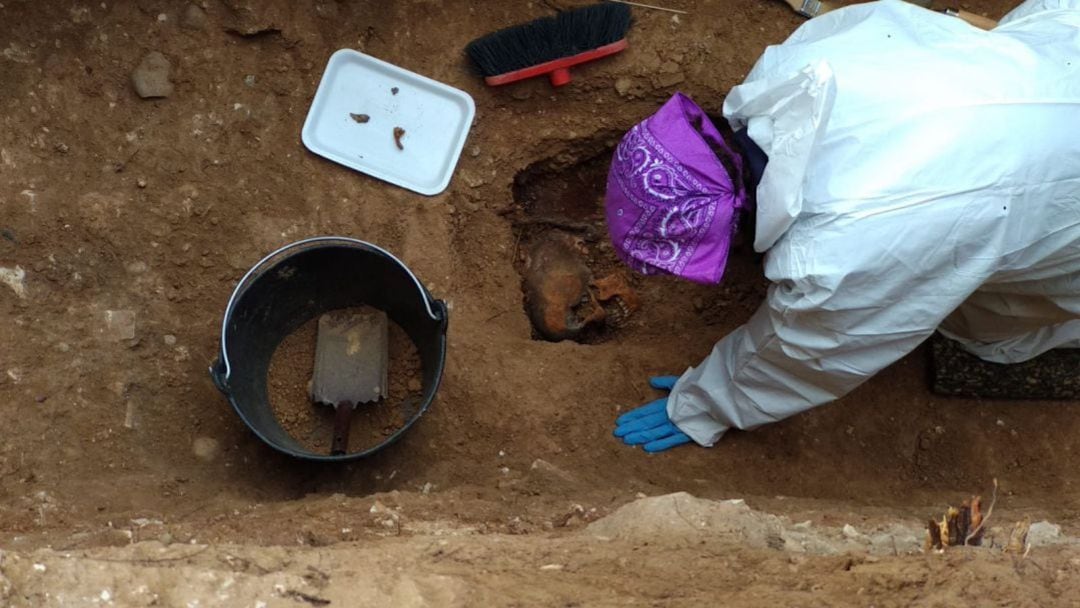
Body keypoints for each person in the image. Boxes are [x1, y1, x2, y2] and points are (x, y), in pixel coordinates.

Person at [608, 0, 1080, 452]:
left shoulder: (838, 254)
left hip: (1058, 195)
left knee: (988, 323)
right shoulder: (797, 65)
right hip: (1057, 52)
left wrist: (702, 404)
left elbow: (806, 354)